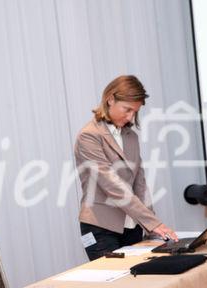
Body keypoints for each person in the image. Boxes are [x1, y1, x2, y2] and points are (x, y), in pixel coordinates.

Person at [74, 75, 178, 261]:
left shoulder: (131, 136)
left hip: (132, 226)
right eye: (127, 109)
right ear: (110, 99)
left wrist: (151, 227)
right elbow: (112, 185)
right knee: (116, 284)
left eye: (135, 112)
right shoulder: (89, 136)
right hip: (101, 228)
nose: (131, 116)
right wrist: (153, 223)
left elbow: (140, 184)